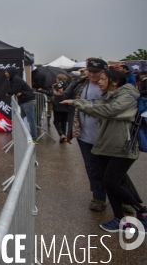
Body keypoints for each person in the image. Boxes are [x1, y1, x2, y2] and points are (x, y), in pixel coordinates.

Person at [62, 70, 147, 232]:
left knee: (111, 182)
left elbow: (107, 111)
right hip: (106, 147)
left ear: (114, 82)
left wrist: (77, 103)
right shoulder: (109, 95)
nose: (99, 82)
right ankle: (119, 219)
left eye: (102, 79)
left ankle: (142, 212)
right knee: (110, 184)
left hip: (122, 147)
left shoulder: (127, 97)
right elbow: (101, 108)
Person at [53, 58, 109, 211]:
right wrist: (58, 95)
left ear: (104, 71)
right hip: (85, 135)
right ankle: (98, 198)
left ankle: (125, 199)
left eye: (96, 72)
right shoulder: (79, 84)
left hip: (107, 136)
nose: (92, 74)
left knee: (113, 170)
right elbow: (64, 100)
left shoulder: (111, 86)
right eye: (90, 71)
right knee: (92, 168)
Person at [5, 67, 37, 142]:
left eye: (7, 72)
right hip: (24, 101)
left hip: (28, 101)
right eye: (5, 72)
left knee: (30, 119)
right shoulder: (13, 79)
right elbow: (13, 89)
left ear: (11, 72)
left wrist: (10, 92)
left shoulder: (16, 79)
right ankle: (22, 135)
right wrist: (16, 92)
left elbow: (14, 89)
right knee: (20, 119)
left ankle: (34, 138)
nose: (5, 74)